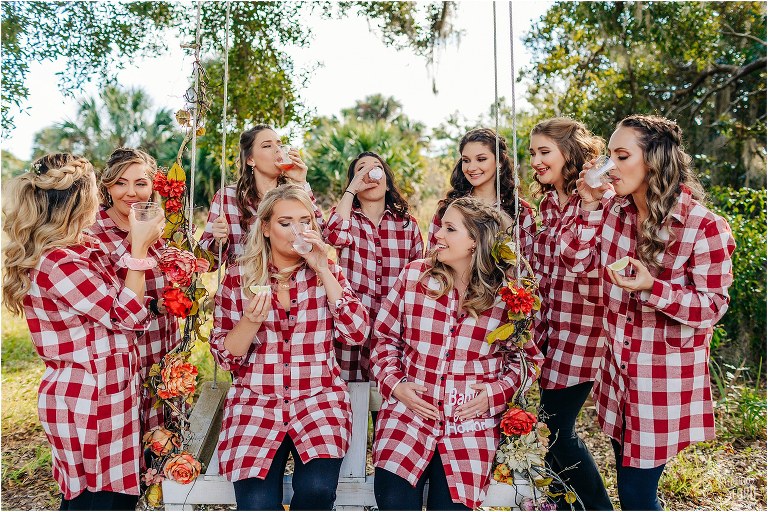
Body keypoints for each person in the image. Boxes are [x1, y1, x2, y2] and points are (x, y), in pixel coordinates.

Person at [560, 115, 735, 510]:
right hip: (618, 377)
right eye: (608, 156)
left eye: (621, 156)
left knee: (637, 495)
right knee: (631, 485)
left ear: (654, 162)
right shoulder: (612, 212)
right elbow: (576, 261)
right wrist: (587, 204)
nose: (610, 167)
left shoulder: (703, 227)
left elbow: (712, 306)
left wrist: (652, 288)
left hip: (661, 385)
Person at [1, 153, 163, 510]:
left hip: (109, 394)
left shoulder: (81, 249)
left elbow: (120, 300)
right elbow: (127, 317)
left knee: (111, 499)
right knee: (99, 502)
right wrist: (139, 247)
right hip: (89, 400)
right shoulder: (57, 261)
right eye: (95, 194)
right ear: (80, 202)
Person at [371, 197, 544, 510]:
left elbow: (528, 362)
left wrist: (496, 393)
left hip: (470, 427)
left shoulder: (508, 298)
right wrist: (397, 385)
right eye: (441, 225)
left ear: (475, 242)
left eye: (449, 229)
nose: (437, 233)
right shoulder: (414, 278)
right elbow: (383, 339)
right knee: (393, 500)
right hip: (409, 417)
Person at [209, 184, 370, 510]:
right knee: (255, 503)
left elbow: (357, 332)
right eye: (286, 222)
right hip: (255, 403)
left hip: (318, 400)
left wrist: (323, 267)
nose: (298, 230)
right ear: (265, 228)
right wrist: (251, 321)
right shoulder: (239, 276)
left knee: (317, 490)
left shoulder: (326, 271)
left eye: (305, 221)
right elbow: (225, 357)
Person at [528, 118, 612, 510]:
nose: (536, 161)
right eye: (533, 153)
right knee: (547, 429)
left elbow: (585, 262)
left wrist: (589, 201)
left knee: (556, 429)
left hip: (584, 329)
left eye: (545, 152)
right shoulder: (547, 203)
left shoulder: (599, 197)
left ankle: (598, 508)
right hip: (550, 328)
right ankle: (564, 507)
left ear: (569, 153)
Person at [86, 147, 180, 433]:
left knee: (166, 428)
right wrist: (135, 240)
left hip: (163, 340)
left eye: (140, 183)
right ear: (107, 187)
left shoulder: (163, 227)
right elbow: (108, 290)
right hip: (125, 349)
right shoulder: (92, 231)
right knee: (130, 431)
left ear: (153, 186)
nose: (131, 193)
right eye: (120, 183)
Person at [323, 151, 423, 382]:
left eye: (376, 167)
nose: (369, 173)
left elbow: (419, 277)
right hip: (352, 325)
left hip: (393, 330)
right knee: (351, 399)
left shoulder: (408, 225)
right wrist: (352, 189)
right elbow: (334, 236)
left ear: (387, 184)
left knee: (388, 399)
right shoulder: (347, 218)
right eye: (361, 169)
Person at [199, 124, 323, 270]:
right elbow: (206, 264)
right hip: (243, 287)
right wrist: (218, 243)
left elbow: (321, 234)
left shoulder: (293, 194)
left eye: (279, 144)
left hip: (291, 286)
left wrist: (301, 182)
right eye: (267, 146)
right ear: (250, 159)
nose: (278, 149)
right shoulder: (227, 197)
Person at [427, 128, 536, 264]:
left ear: (500, 161)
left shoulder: (520, 210)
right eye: (466, 160)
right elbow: (432, 258)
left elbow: (526, 265)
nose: (471, 167)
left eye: (481, 159)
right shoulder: (447, 209)